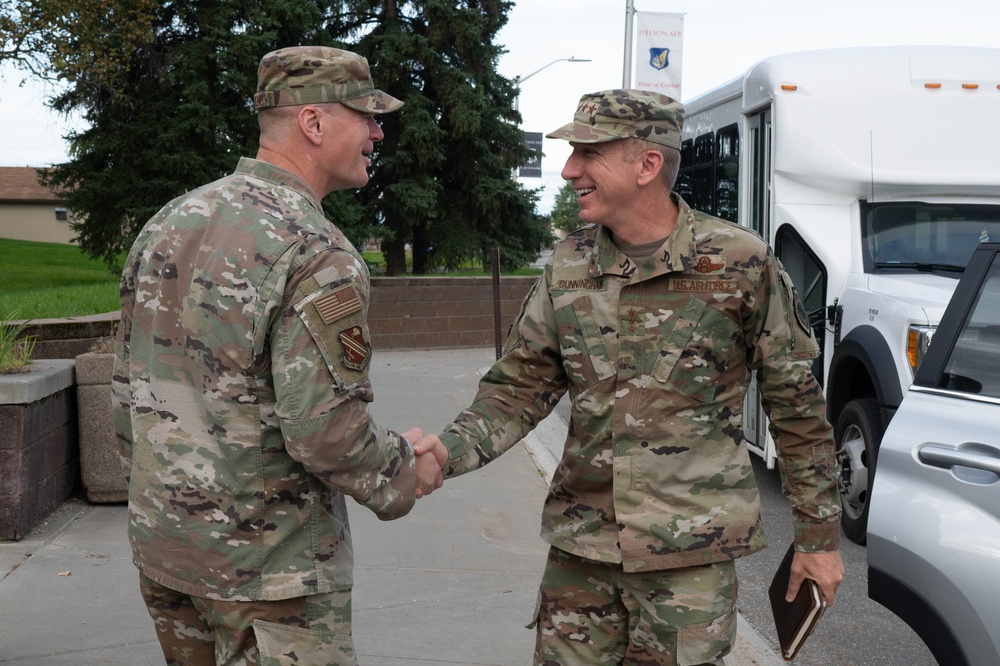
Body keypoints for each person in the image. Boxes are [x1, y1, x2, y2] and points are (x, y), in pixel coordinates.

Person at [417, 89, 844, 664]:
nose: (569, 170)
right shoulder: (567, 265)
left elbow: (797, 410)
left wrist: (818, 539)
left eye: (588, 153)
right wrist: (445, 452)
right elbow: (518, 390)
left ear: (647, 165)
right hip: (580, 558)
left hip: (688, 562)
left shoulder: (739, 263)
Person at [112, 45, 447, 665]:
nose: (378, 131)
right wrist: (408, 470)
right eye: (367, 115)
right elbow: (326, 433)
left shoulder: (171, 221)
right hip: (271, 576)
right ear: (313, 123)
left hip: (169, 553)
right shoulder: (317, 250)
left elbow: (125, 394)